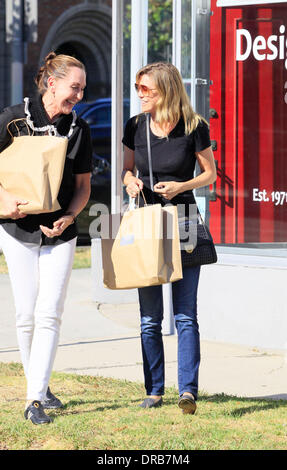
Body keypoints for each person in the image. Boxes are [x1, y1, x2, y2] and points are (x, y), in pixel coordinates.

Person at [0, 52, 92, 424]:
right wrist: (5, 200)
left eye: (83, 89)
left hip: (61, 233)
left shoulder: (79, 129)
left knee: (49, 313)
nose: (79, 96)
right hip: (17, 229)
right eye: (75, 88)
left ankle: (35, 398)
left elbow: (84, 186)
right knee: (25, 315)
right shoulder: (12, 120)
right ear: (51, 84)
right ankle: (37, 384)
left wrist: (70, 215)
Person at [122, 62, 216, 414]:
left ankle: (187, 391)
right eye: (137, 88)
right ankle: (155, 390)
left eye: (148, 89)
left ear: (168, 90)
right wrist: (129, 182)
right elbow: (126, 169)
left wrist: (182, 185)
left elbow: (209, 174)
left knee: (185, 315)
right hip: (148, 222)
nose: (141, 95)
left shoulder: (194, 126)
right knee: (150, 318)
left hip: (186, 220)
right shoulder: (135, 125)